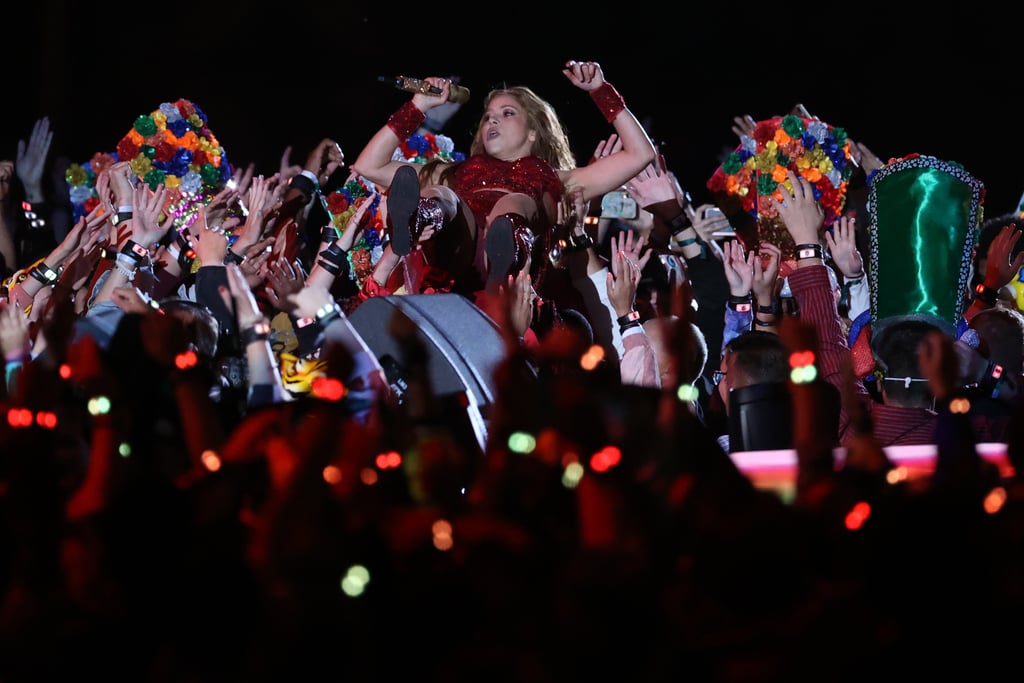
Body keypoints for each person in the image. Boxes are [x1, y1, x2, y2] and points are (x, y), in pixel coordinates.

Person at [351, 60, 656, 304]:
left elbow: (640, 154)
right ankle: (419, 218)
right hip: (459, 262)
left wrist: (600, 89)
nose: (492, 120)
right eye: (486, 116)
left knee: (514, 202)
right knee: (442, 194)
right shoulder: (454, 171)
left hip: (511, 283)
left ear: (534, 132)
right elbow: (368, 165)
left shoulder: (560, 180)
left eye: (506, 113)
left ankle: (504, 248)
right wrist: (418, 106)